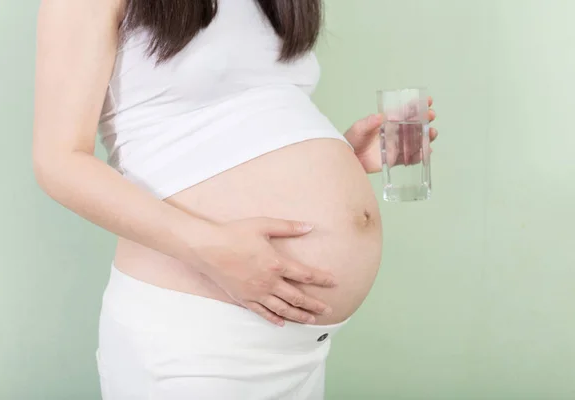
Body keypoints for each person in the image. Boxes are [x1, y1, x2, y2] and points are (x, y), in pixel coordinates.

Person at [33, 0, 438, 398]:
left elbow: (245, 117)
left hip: (300, 349)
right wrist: (210, 248)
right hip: (195, 340)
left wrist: (339, 157)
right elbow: (58, 161)